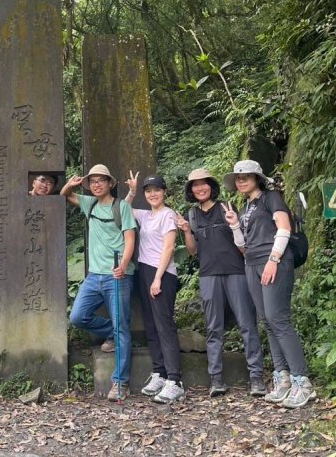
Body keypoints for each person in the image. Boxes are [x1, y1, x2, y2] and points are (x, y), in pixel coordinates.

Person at [223, 160, 315, 408]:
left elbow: (284, 228)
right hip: (251, 263)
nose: (241, 181)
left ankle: (301, 381)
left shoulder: (271, 198)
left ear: (257, 178)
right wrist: (234, 224)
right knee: (267, 321)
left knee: (279, 319)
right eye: (238, 178)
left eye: (246, 177)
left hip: (274, 260)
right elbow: (242, 247)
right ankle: (282, 377)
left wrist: (274, 260)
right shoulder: (245, 208)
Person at [176, 168, 266, 398]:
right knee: (213, 328)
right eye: (194, 185)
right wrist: (186, 231)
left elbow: (241, 241)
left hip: (236, 272)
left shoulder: (227, 207)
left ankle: (256, 377)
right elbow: (192, 251)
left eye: (203, 183)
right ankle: (216, 379)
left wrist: (234, 222)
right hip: (208, 276)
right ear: (190, 190)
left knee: (247, 324)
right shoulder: (192, 215)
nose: (199, 188)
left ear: (211, 186)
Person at [60, 164, 137, 401]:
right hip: (94, 275)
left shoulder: (121, 206)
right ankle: (112, 334)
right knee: (78, 316)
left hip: (117, 275)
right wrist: (71, 184)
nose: (96, 184)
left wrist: (123, 265)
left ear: (110, 183)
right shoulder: (89, 203)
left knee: (121, 326)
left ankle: (120, 383)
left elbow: (130, 238)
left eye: (101, 180)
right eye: (92, 181)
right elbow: (65, 195)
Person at [124, 171, 185, 404]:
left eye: (156, 190)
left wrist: (158, 279)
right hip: (145, 270)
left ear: (164, 192)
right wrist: (132, 191)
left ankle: (175, 380)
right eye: (148, 191)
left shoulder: (168, 215)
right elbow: (122, 210)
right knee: (151, 325)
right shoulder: (146, 215)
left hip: (162, 273)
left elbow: (169, 249)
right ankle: (159, 373)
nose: (152, 194)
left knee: (164, 325)